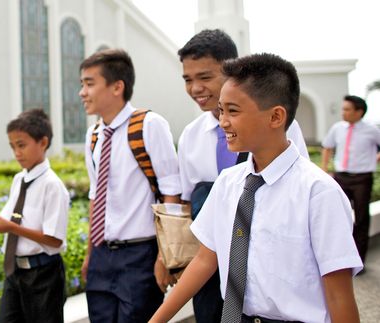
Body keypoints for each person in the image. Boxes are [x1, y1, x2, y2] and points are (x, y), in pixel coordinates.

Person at [151, 53, 362, 323]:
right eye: (221, 110)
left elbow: (339, 297)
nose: (223, 121)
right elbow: (205, 260)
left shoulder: (318, 193)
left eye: (233, 111)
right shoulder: (228, 183)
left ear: (275, 117)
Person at [176, 29, 309, 323]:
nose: (196, 88)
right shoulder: (191, 136)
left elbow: (296, 192)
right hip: (209, 268)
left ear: (233, 69)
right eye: (188, 79)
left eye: (205, 77)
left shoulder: (279, 128)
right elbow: (186, 206)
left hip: (265, 268)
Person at [79, 48, 181, 322]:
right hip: (102, 254)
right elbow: (95, 197)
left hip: (140, 255)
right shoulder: (93, 135)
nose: (82, 92)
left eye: (89, 83)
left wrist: (164, 257)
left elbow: (172, 191)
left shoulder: (149, 125)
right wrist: (90, 254)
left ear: (117, 87)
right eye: (82, 84)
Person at [0, 109, 69, 323]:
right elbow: (13, 220)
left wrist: (10, 228)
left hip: (43, 275)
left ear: (43, 142)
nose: (17, 152)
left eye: (22, 145)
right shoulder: (19, 180)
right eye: (13, 146)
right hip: (15, 272)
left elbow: (54, 239)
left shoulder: (52, 186)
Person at [322, 95, 380, 265]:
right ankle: (340, 260)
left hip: (362, 178)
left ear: (359, 112)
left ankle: (359, 262)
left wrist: (374, 159)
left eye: (347, 109)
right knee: (338, 217)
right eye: (343, 109)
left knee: (361, 218)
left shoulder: (372, 130)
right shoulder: (337, 128)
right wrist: (325, 169)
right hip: (341, 177)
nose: (343, 113)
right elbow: (327, 146)